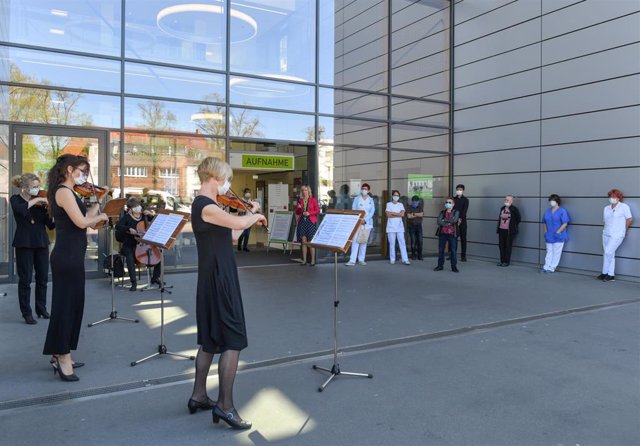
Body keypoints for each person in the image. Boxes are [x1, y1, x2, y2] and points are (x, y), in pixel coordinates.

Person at [188, 157, 266, 429]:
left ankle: (198, 395)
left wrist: (247, 215)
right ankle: (225, 406)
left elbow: (231, 236)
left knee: (209, 339)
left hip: (212, 277)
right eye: (227, 179)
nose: (228, 185)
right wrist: (253, 214)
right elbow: (239, 226)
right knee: (233, 340)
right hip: (220, 278)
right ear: (215, 178)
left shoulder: (210, 206)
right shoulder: (205, 205)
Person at [43, 155, 109, 382]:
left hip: (72, 256)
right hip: (66, 257)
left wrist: (100, 199)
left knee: (72, 305)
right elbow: (82, 223)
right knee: (65, 306)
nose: (84, 175)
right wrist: (100, 216)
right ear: (70, 169)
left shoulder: (69, 192)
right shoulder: (63, 191)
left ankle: (59, 352)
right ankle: (63, 356)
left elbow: (83, 217)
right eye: (82, 170)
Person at [10, 173, 55, 324]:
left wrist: (52, 212)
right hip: (24, 243)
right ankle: (26, 312)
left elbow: (51, 225)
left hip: (41, 242)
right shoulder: (16, 199)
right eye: (34, 187)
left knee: (42, 278)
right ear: (24, 188)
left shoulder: (41, 204)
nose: (37, 189)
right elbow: (21, 210)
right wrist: (38, 199)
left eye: (38, 186)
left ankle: (41, 308)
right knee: (25, 279)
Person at [115, 197, 161, 291]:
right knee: (130, 257)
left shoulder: (144, 215)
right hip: (129, 244)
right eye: (136, 206)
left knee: (158, 254)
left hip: (143, 243)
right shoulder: (127, 217)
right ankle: (134, 282)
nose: (139, 207)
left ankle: (155, 278)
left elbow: (156, 223)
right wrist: (129, 229)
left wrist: (151, 216)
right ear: (131, 208)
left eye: (139, 205)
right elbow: (118, 226)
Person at [597, 189, 633, 282]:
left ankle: (609, 274)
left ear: (618, 197)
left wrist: (624, 230)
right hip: (606, 233)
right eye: (611, 197)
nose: (612, 198)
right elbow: (605, 221)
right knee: (608, 253)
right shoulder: (606, 208)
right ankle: (607, 274)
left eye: (614, 197)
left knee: (608, 252)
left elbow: (629, 219)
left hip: (617, 234)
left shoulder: (624, 207)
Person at [346, 183, 375, 266]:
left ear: (368, 190)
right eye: (363, 188)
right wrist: (359, 219)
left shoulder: (371, 200)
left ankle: (361, 259)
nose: (364, 190)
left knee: (363, 241)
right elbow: (354, 209)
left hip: (367, 223)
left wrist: (365, 220)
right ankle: (352, 260)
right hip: (358, 222)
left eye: (365, 189)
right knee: (355, 241)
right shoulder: (357, 199)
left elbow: (372, 212)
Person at [541, 194, 570, 273]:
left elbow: (565, 223)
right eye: (550, 200)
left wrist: (558, 232)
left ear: (557, 201)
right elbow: (544, 222)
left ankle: (552, 267)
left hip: (559, 235)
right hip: (549, 235)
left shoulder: (562, 211)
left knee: (556, 252)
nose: (551, 202)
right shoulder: (547, 211)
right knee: (549, 251)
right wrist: (545, 232)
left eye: (553, 200)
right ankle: (546, 266)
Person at [295, 185, 320, 266]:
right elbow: (298, 212)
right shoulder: (301, 200)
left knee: (310, 242)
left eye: (306, 190)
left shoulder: (313, 200)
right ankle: (304, 260)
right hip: (302, 221)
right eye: (303, 190)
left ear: (309, 191)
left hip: (310, 222)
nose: (304, 192)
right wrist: (298, 208)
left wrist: (309, 213)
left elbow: (317, 210)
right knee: (304, 242)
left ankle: (312, 261)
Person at [434, 198, 460, 272]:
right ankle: (440, 265)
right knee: (441, 250)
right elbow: (439, 221)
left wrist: (444, 220)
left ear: (453, 204)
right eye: (446, 202)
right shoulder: (442, 212)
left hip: (452, 234)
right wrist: (448, 222)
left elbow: (454, 220)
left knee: (453, 250)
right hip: (442, 234)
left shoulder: (456, 212)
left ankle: (454, 266)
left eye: (449, 202)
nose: (448, 203)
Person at [386, 190, 410, 265]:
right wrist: (397, 214)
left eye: (397, 195)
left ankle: (405, 259)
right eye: (394, 195)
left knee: (402, 243)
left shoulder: (401, 204)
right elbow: (388, 215)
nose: (396, 197)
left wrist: (393, 213)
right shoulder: (388, 204)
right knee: (392, 243)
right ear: (392, 196)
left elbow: (402, 214)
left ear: (399, 197)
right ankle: (392, 259)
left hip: (399, 227)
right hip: (391, 227)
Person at [496, 195, 521, 267]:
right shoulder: (502, 208)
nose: (506, 201)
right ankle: (502, 261)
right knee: (501, 246)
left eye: (508, 200)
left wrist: (512, 225)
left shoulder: (514, 209)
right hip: (501, 230)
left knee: (507, 246)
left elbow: (518, 219)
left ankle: (506, 262)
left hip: (509, 231)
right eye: (505, 200)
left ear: (511, 201)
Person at [453, 184, 469, 262]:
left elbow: (464, 211)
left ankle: (463, 256)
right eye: (457, 189)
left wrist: (460, 219)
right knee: (453, 238)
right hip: (454, 221)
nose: (459, 190)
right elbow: (452, 209)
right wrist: (454, 219)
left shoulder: (465, 200)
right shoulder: (453, 199)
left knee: (463, 238)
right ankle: (452, 254)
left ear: (463, 190)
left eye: (460, 189)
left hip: (462, 221)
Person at [406, 195, 424, 260]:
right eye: (413, 201)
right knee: (413, 241)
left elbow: (421, 214)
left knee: (420, 241)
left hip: (419, 226)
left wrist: (413, 214)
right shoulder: (409, 207)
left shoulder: (420, 207)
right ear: (412, 201)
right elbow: (408, 216)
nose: (415, 202)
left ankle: (420, 255)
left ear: (418, 201)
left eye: (416, 201)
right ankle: (413, 254)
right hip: (412, 226)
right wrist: (417, 214)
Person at [237, 188, 252, 252]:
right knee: (242, 233)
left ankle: (245, 246)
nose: (248, 193)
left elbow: (253, 209)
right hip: (242, 218)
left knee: (247, 233)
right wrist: (244, 209)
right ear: (244, 193)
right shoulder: (240, 200)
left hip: (248, 218)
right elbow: (238, 210)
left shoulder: (251, 201)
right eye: (247, 192)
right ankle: (239, 245)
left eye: (249, 192)